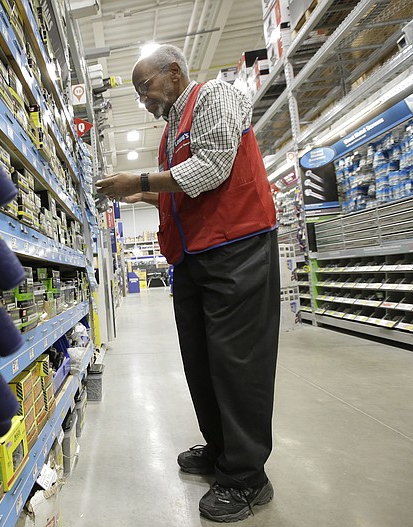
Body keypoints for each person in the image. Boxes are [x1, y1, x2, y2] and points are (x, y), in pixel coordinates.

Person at [95, 44, 280, 523]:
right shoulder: (170, 130)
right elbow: (178, 186)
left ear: (174, 73)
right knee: (202, 362)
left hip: (236, 249)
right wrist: (140, 190)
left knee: (238, 366)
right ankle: (222, 451)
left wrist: (141, 180)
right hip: (194, 257)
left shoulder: (214, 96)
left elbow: (213, 167)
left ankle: (247, 479)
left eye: (146, 87)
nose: (143, 100)